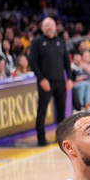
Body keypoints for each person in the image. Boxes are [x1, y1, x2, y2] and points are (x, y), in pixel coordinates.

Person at [28, 17, 73, 146]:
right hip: (45, 82)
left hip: (60, 81)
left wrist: (69, 78)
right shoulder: (37, 43)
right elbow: (33, 63)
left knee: (61, 110)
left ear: (55, 27)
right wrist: (41, 79)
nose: (49, 27)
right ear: (42, 28)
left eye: (51, 25)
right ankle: (41, 138)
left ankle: (61, 137)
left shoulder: (60, 42)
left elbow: (67, 62)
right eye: (46, 25)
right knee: (42, 110)